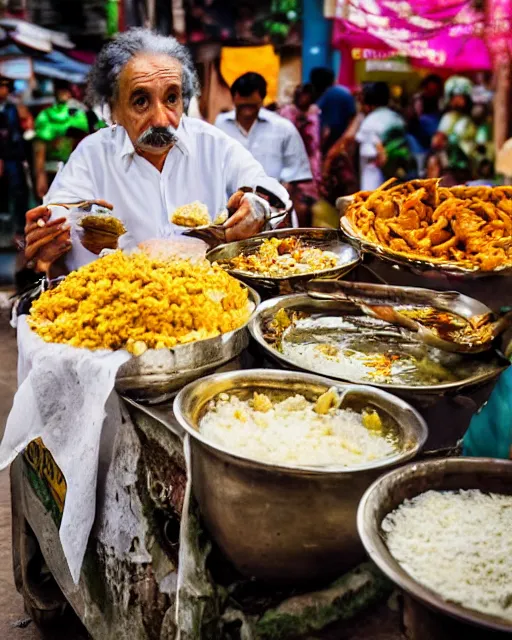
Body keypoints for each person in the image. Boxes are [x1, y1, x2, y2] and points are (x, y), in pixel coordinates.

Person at [24, 29, 291, 276]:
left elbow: (273, 193)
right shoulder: (92, 155)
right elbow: (60, 211)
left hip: (209, 301)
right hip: (125, 306)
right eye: (141, 101)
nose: (161, 120)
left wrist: (257, 208)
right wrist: (50, 234)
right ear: (113, 109)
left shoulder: (213, 144)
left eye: (171, 98)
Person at [214, 72, 312, 199]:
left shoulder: (283, 128)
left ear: (262, 99)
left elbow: (295, 172)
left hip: (273, 209)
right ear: (234, 98)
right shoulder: (220, 126)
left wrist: (278, 202)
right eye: (243, 104)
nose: (247, 109)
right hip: (228, 206)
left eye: (251, 104)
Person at [33, 79, 90, 200]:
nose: (65, 94)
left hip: (76, 174)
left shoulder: (80, 115)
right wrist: (40, 176)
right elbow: (39, 147)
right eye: (61, 91)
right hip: (52, 172)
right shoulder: (46, 115)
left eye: (67, 91)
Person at [356, 82, 410, 191]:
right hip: (397, 178)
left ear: (368, 104)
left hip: (374, 179)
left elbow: (379, 153)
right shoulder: (397, 118)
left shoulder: (370, 122)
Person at [279, 84, 321, 225]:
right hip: (290, 162)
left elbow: (315, 140)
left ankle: (305, 232)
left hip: (310, 164)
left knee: (306, 203)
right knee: (289, 201)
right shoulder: (287, 113)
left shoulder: (314, 112)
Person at [0, 76, 33, 239]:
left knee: (19, 191)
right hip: (2, 156)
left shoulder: (13, 107)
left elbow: (24, 129)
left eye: (5, 87)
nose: (3, 91)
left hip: (13, 157)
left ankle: (20, 229)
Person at [310, 67, 356, 154]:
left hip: (328, 144)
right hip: (343, 143)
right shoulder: (344, 92)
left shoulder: (326, 96)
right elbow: (352, 117)